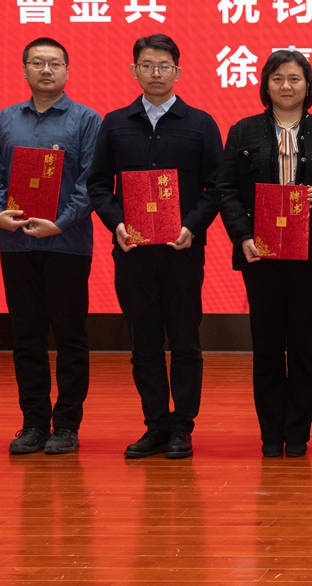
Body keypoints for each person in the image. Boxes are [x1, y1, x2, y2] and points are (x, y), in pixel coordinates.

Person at [87, 34, 223, 460]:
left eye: (164, 66)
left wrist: (192, 227)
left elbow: (216, 187)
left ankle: (182, 426)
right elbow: (97, 184)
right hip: (133, 252)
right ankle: (155, 424)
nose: (156, 73)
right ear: (134, 71)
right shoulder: (115, 123)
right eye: (147, 65)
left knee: (184, 341)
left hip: (182, 251)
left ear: (177, 71)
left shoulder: (200, 123)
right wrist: (117, 223)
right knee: (143, 343)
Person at [217, 50, 312, 458]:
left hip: (310, 254)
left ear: (308, 85)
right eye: (277, 78)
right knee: (266, 344)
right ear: (266, 85)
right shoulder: (243, 131)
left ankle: (297, 432)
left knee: (303, 344)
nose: (286, 86)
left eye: (295, 78)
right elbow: (226, 189)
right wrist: (242, 235)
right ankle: (270, 433)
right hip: (260, 253)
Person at [0, 38, 102, 456]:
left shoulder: (87, 120)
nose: (46, 70)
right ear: (25, 69)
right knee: (27, 336)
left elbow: (91, 183)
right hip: (16, 243)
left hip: (67, 243)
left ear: (67, 70)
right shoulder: (5, 119)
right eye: (37, 62)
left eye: (54, 63)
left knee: (70, 336)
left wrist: (60, 223)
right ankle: (32, 422)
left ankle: (66, 424)